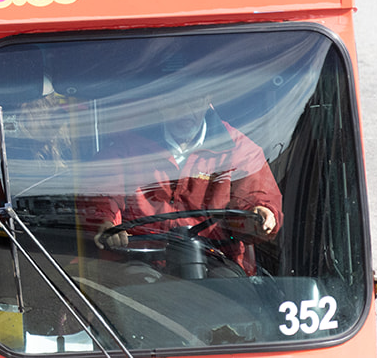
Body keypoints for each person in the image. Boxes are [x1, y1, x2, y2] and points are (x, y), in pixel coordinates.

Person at [87, 89, 282, 276]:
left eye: (194, 100)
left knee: (228, 290)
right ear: (160, 101)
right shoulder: (129, 147)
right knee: (137, 283)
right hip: (140, 259)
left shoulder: (238, 150)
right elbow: (102, 192)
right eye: (177, 101)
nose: (185, 110)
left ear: (207, 99)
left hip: (216, 261)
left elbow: (255, 196)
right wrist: (106, 222)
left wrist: (261, 213)